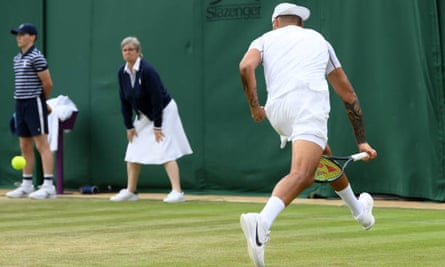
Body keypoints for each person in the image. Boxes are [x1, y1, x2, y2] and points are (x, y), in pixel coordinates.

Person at [238, 3, 378, 266]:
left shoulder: (264, 38)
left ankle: (361, 213)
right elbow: (347, 94)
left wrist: (255, 107)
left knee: (324, 155)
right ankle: (262, 223)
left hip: (278, 111)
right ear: (300, 23)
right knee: (303, 174)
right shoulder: (318, 40)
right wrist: (362, 140)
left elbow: (246, 67)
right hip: (307, 104)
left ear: (276, 22)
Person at [111, 36, 193, 203]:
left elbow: (157, 99)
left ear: (139, 52)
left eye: (131, 50)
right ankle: (131, 191)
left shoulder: (148, 70)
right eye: (124, 50)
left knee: (165, 147)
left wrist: (157, 126)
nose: (127, 53)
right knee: (132, 150)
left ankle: (177, 192)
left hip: (164, 111)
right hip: (143, 115)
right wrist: (129, 126)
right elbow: (124, 100)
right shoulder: (122, 72)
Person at [6, 23, 56, 199]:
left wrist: (42, 102)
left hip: (34, 102)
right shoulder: (17, 59)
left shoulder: (37, 57)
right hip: (20, 104)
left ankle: (49, 186)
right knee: (24, 145)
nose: (19, 37)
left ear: (32, 37)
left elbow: (48, 83)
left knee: (42, 144)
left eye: (22, 34)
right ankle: (27, 184)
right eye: (17, 35)